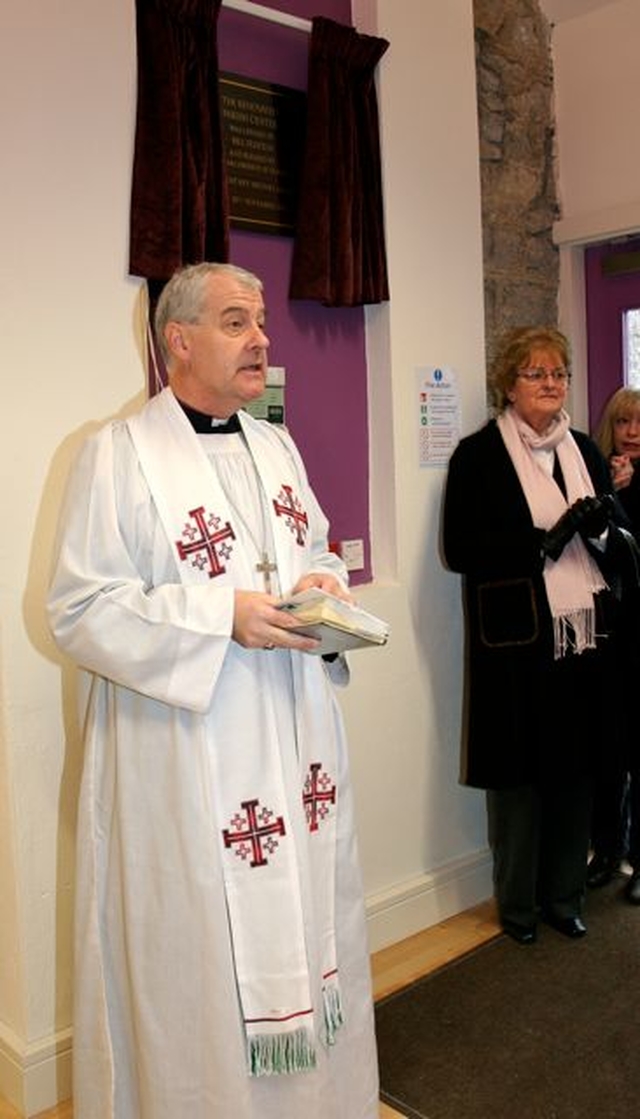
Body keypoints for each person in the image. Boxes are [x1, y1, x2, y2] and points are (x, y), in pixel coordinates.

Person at [47, 262, 379, 1118]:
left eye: (262, 320)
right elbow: (78, 610)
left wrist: (325, 582)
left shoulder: (274, 444)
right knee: (198, 966)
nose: (262, 337)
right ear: (177, 342)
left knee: (307, 934)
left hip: (293, 745)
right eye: (237, 321)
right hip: (187, 762)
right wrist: (217, 616)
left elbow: (314, 547)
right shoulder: (115, 457)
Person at [442, 326, 628, 946]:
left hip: (584, 642)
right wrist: (542, 541)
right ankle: (519, 907)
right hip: (517, 645)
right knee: (520, 782)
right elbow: (460, 548)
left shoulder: (585, 450)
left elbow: (620, 541)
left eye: (559, 374)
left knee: (575, 775)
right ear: (509, 384)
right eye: (536, 374)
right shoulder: (477, 454)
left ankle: (564, 896)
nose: (550, 384)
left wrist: (599, 530)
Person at [587, 387, 640, 903]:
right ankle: (606, 850)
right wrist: (610, 494)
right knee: (606, 749)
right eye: (623, 421)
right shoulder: (594, 472)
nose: (632, 431)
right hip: (606, 633)